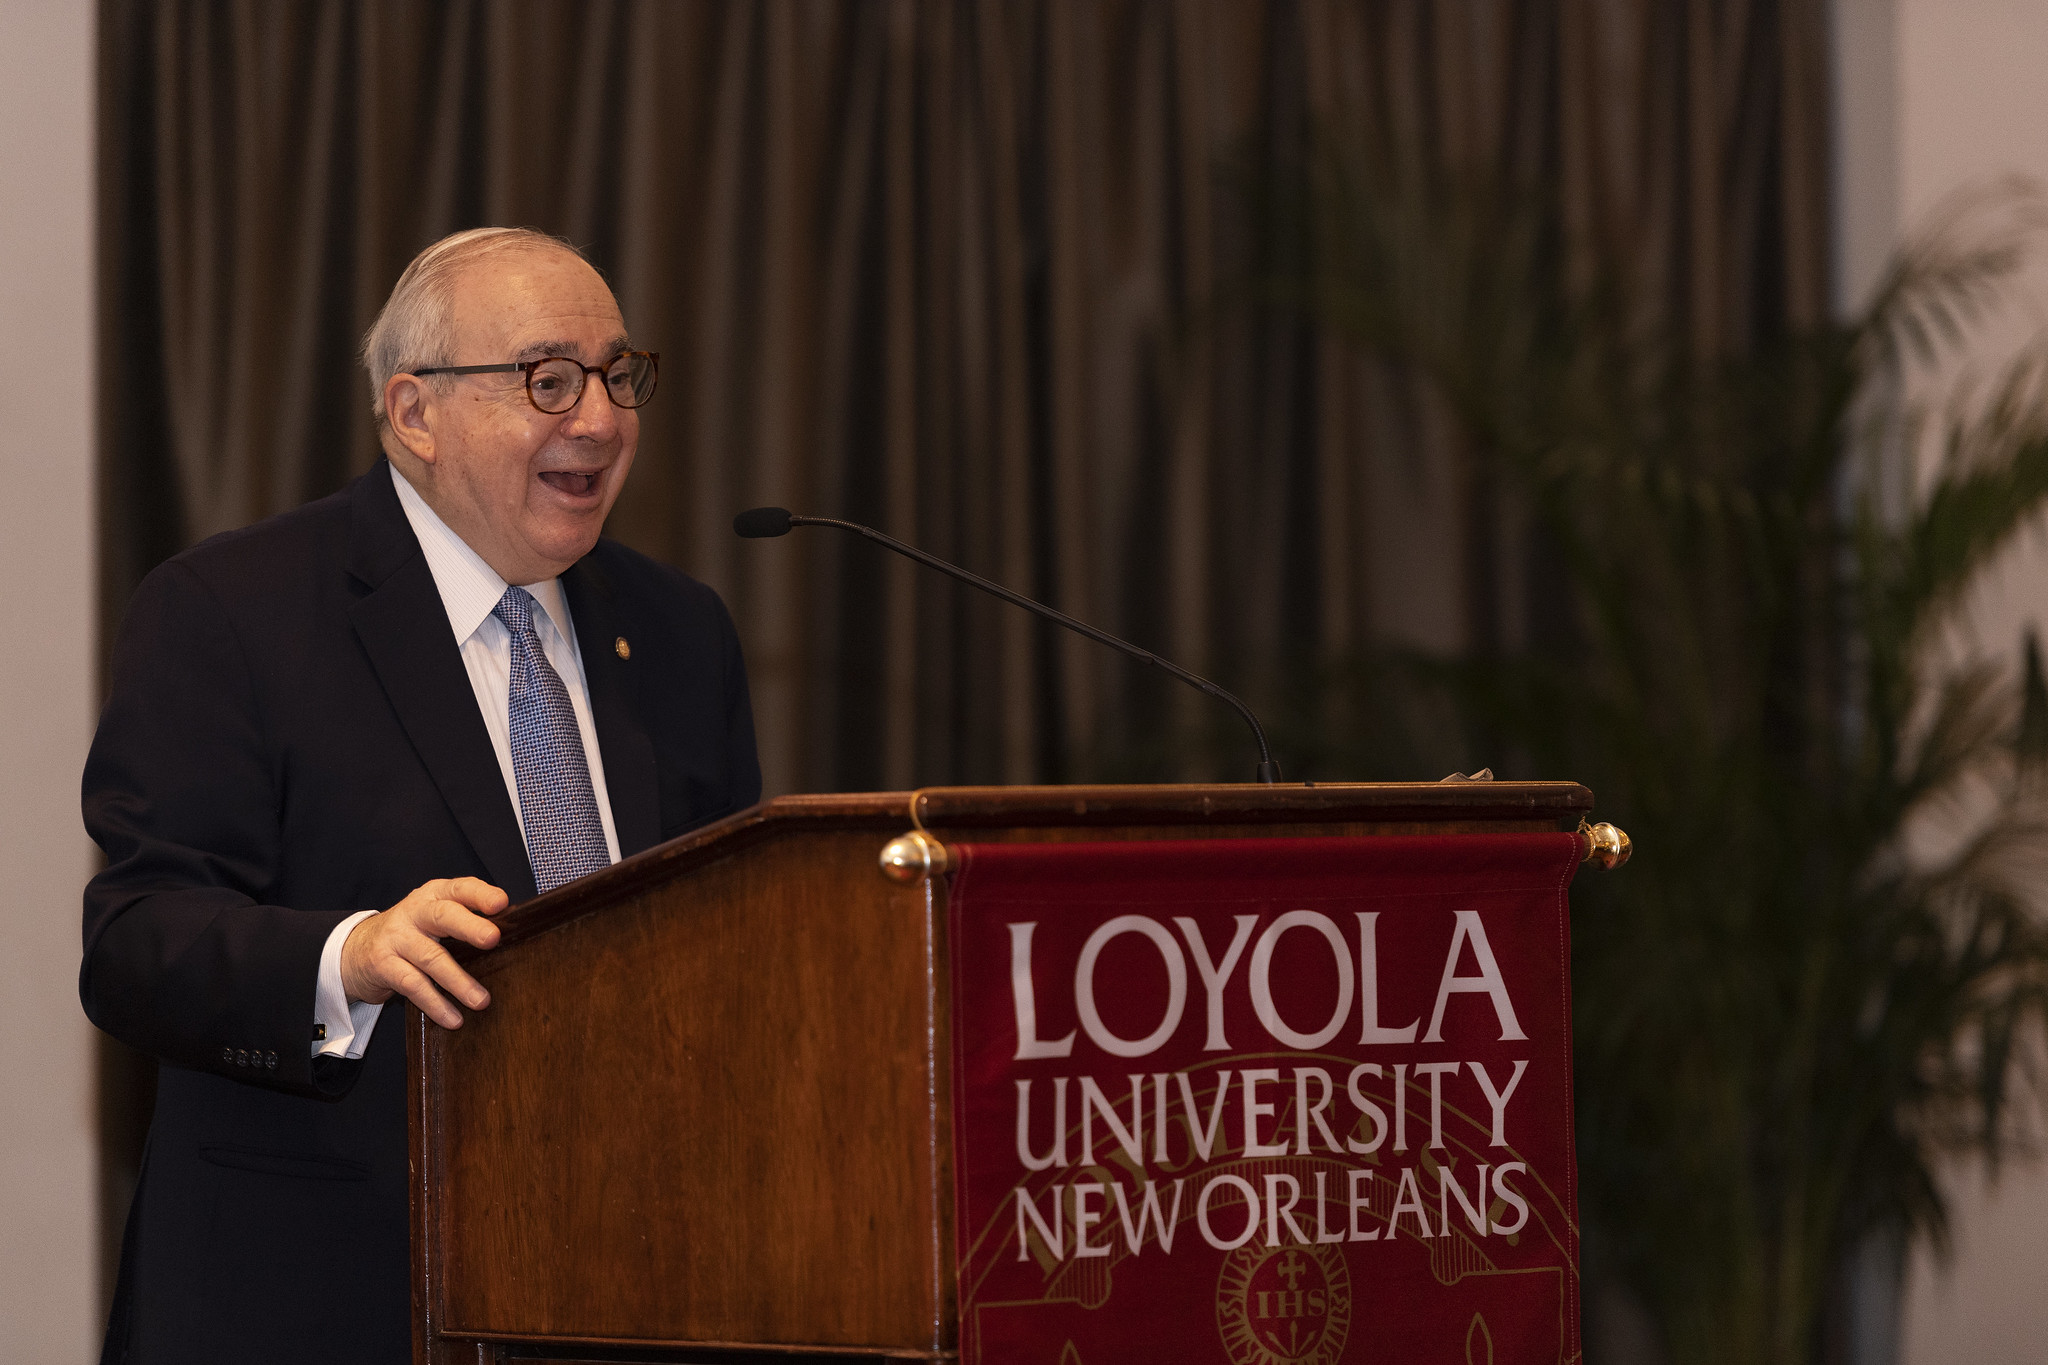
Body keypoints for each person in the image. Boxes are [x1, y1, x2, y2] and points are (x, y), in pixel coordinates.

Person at [80, 227, 761, 1364]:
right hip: (320, 1298)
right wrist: (345, 959)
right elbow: (136, 943)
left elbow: (735, 943)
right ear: (413, 414)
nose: (598, 418)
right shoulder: (232, 611)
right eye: (547, 379)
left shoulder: (680, 633)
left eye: (617, 374)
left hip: (629, 1288)